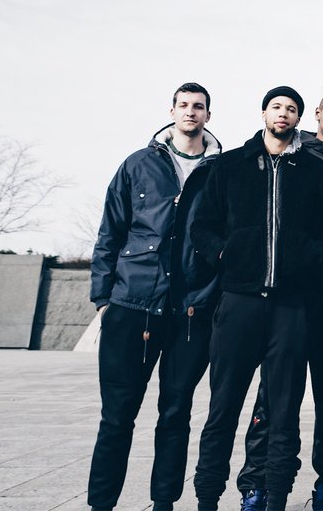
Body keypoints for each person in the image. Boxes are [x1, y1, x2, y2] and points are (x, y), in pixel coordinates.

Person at [189, 87, 323, 511]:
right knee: (223, 408)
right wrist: (224, 254)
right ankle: (207, 498)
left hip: (291, 306)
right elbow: (202, 225)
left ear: (298, 119)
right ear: (264, 113)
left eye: (292, 109)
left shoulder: (314, 171)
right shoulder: (230, 165)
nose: (283, 114)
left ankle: (275, 498)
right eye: (277, 107)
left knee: (283, 412)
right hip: (239, 302)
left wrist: (307, 258)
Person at [235, 90, 323, 511]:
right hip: (291, 298)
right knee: (275, 397)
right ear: (317, 114)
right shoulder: (292, 156)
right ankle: (257, 484)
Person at [87, 83, 222, 511]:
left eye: (198, 106)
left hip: (190, 309)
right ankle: (101, 504)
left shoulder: (221, 170)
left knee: (176, 414)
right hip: (132, 304)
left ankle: (163, 502)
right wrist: (103, 298)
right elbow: (110, 230)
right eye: (183, 105)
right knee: (117, 417)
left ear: (207, 115)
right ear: (172, 111)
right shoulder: (139, 164)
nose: (190, 112)